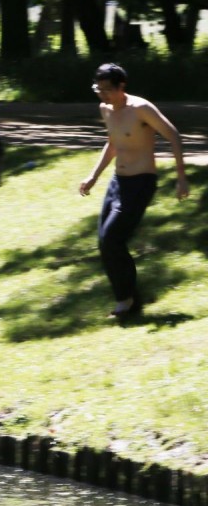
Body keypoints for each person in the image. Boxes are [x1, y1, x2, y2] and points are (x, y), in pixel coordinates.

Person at [78, 63, 189, 318]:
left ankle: (128, 301)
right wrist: (94, 176)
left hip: (141, 181)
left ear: (121, 87)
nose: (103, 94)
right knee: (105, 242)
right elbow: (113, 144)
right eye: (99, 89)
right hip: (118, 181)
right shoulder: (105, 109)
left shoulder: (140, 108)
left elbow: (173, 135)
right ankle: (128, 299)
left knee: (112, 238)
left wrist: (181, 178)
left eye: (107, 89)